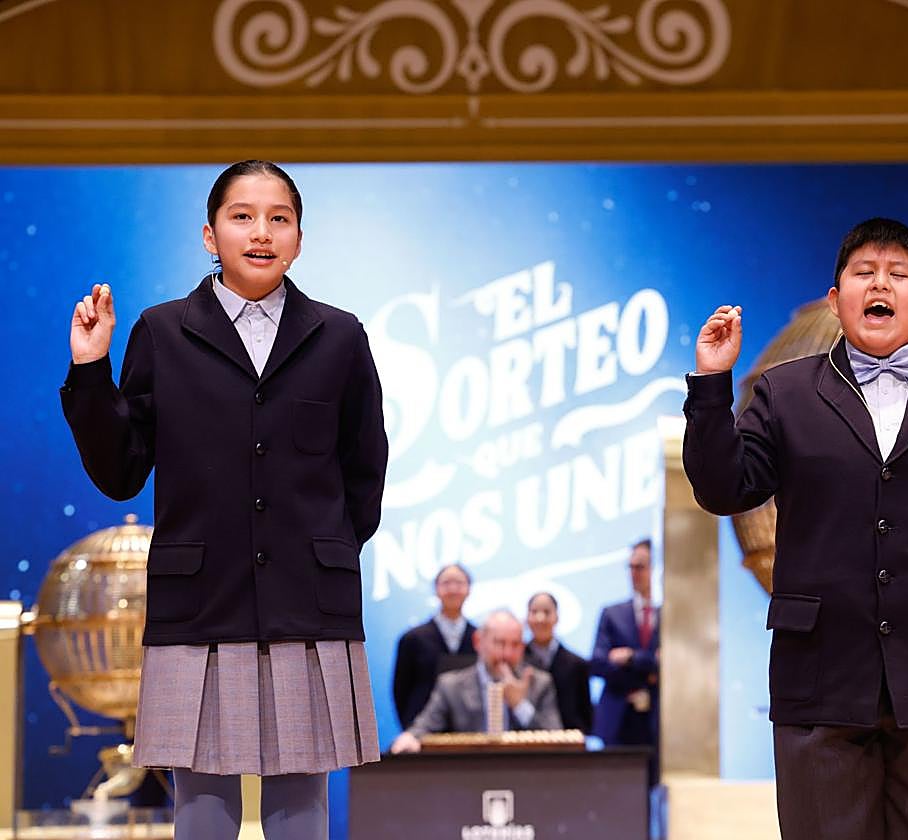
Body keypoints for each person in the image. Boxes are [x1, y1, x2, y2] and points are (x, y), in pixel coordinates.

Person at [682, 218, 908, 840]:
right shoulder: (784, 393)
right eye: (864, 273)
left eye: (898, 274)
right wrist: (714, 384)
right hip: (819, 681)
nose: (880, 284)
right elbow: (725, 489)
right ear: (835, 300)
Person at [60, 160, 388, 840]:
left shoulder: (340, 336)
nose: (261, 232)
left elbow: (364, 470)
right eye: (242, 216)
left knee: (300, 811)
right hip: (198, 608)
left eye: (279, 218)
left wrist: (321, 552)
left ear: (299, 238)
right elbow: (122, 470)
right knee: (201, 812)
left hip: (307, 607)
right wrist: (91, 371)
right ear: (210, 235)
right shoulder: (162, 330)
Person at [390, 609, 562, 752]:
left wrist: (519, 705)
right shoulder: (451, 686)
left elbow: (559, 740)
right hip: (468, 778)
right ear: (479, 641)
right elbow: (423, 727)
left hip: (527, 779)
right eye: (500, 643)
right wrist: (410, 738)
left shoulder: (539, 683)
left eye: (515, 645)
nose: (507, 654)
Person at [590, 539, 660, 781]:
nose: (634, 573)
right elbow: (598, 663)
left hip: (657, 722)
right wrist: (648, 666)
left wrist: (630, 658)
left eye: (639, 566)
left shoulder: (669, 613)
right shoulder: (613, 614)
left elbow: (672, 666)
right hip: (617, 717)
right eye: (630, 567)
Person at [391, 563, 478, 730]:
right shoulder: (412, 638)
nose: (453, 589)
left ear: (469, 589)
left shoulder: (479, 638)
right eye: (446, 583)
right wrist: (410, 727)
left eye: (459, 583)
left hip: (468, 731)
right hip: (422, 730)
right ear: (436, 589)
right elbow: (400, 689)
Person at [525, 591, 593, 734]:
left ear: (557, 617)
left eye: (546, 612)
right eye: (534, 611)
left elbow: (586, 714)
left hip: (568, 745)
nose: (540, 618)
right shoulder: (517, 661)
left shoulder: (577, 664)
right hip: (524, 743)